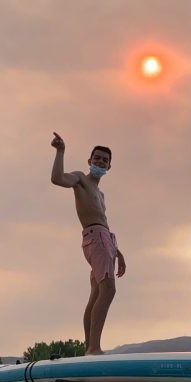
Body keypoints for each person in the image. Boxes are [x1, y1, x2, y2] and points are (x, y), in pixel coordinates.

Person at [50, 132, 126, 355]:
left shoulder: (101, 194)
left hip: (106, 240)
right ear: (89, 161)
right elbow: (57, 179)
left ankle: (88, 347)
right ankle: (94, 347)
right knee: (108, 290)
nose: (100, 162)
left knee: (96, 293)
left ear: (109, 166)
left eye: (105, 160)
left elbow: (104, 220)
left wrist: (118, 252)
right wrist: (60, 151)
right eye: (97, 158)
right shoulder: (80, 179)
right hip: (96, 238)